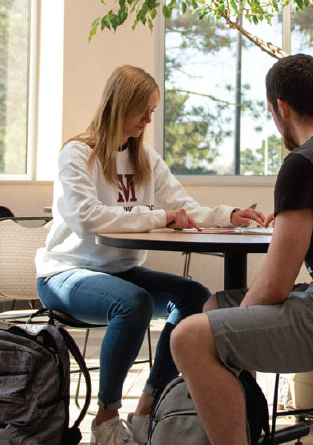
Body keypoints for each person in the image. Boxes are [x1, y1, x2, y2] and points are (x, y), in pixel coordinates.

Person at [169, 54, 313, 445]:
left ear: (281, 108)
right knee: (216, 307)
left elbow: (276, 285)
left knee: (189, 337)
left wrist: (233, 335)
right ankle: (244, 430)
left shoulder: (303, 162)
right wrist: (231, 325)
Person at [36, 65, 271, 445]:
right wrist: (158, 217)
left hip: (120, 272)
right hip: (66, 273)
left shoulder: (144, 158)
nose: (148, 119)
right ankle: (106, 419)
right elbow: (85, 217)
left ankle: (147, 408)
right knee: (134, 303)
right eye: (143, 110)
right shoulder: (78, 154)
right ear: (119, 105)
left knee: (194, 297)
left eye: (153, 111)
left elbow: (184, 206)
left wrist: (230, 215)